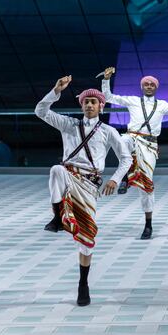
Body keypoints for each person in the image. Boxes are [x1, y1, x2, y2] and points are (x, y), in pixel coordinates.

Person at [35, 76, 133, 306]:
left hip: (90, 185)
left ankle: (83, 283)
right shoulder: (69, 124)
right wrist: (55, 91)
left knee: (87, 240)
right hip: (69, 175)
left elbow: (126, 158)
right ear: (81, 105)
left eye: (93, 102)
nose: (89, 105)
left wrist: (116, 180)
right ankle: (58, 216)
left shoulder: (109, 131)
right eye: (86, 102)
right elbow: (40, 111)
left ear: (101, 105)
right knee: (56, 170)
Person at [102, 67, 168, 239]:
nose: (148, 86)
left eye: (151, 84)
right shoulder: (133, 101)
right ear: (142, 87)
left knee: (147, 187)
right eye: (146, 84)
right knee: (121, 139)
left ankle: (148, 225)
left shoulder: (162, 105)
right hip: (132, 138)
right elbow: (109, 97)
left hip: (149, 146)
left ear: (156, 88)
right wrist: (106, 79)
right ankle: (125, 176)